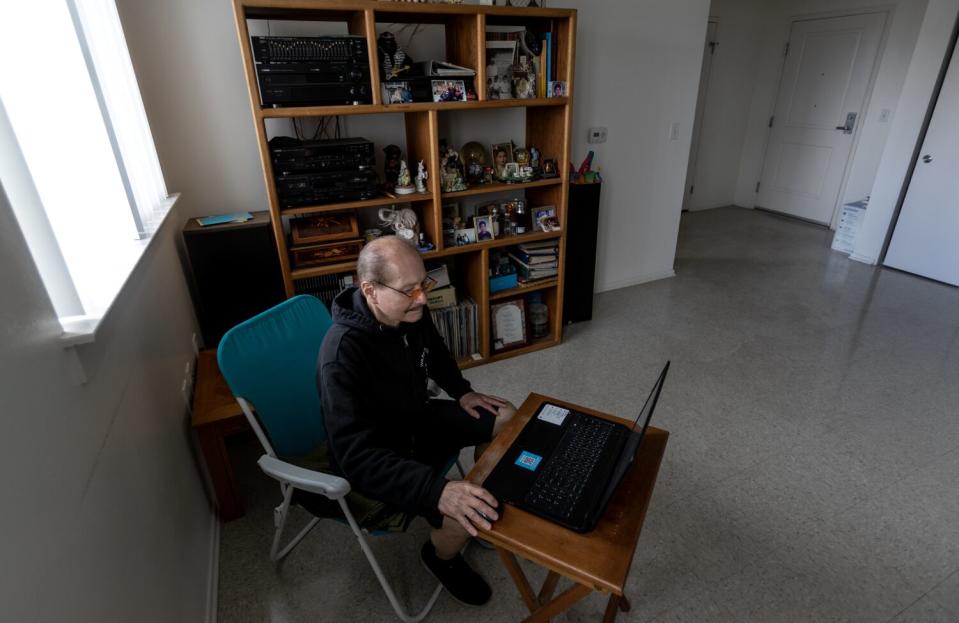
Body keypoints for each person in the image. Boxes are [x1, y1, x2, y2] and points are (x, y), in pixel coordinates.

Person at [318, 236, 516, 607]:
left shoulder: (407, 312)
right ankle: (441, 557)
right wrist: (438, 490)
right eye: (409, 290)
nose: (422, 298)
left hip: (416, 421)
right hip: (379, 460)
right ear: (370, 291)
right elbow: (355, 458)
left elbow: (436, 351)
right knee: (461, 511)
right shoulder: (341, 355)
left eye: (423, 284)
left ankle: (479, 498)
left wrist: (461, 391)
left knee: (506, 417)